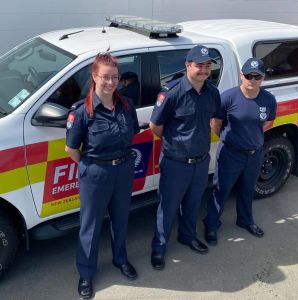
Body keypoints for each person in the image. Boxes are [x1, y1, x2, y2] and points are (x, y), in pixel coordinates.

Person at [65, 53, 140, 299]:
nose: (110, 82)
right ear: (95, 77)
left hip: (123, 169)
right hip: (95, 173)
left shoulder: (126, 105)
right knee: (91, 226)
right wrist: (91, 166)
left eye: (115, 77)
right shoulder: (82, 111)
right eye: (105, 77)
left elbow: (133, 134)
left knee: (121, 219)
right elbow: (71, 149)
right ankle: (86, 273)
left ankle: (120, 259)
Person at [149, 45, 221, 270]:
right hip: (175, 163)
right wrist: (176, 145)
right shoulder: (171, 93)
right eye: (199, 65)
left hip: (200, 161)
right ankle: (159, 247)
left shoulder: (212, 92)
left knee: (192, 203)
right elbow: (156, 126)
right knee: (168, 207)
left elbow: (214, 119)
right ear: (187, 65)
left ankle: (187, 236)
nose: (204, 70)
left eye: (208, 65)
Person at [203, 58, 277, 246]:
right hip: (230, 153)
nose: (252, 80)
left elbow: (269, 121)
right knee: (221, 190)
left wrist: (251, 138)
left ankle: (245, 220)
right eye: (248, 75)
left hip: (254, 153)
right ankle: (211, 224)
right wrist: (232, 140)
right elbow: (216, 124)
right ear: (241, 75)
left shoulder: (268, 99)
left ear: (263, 78)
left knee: (247, 189)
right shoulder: (228, 97)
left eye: (257, 76)